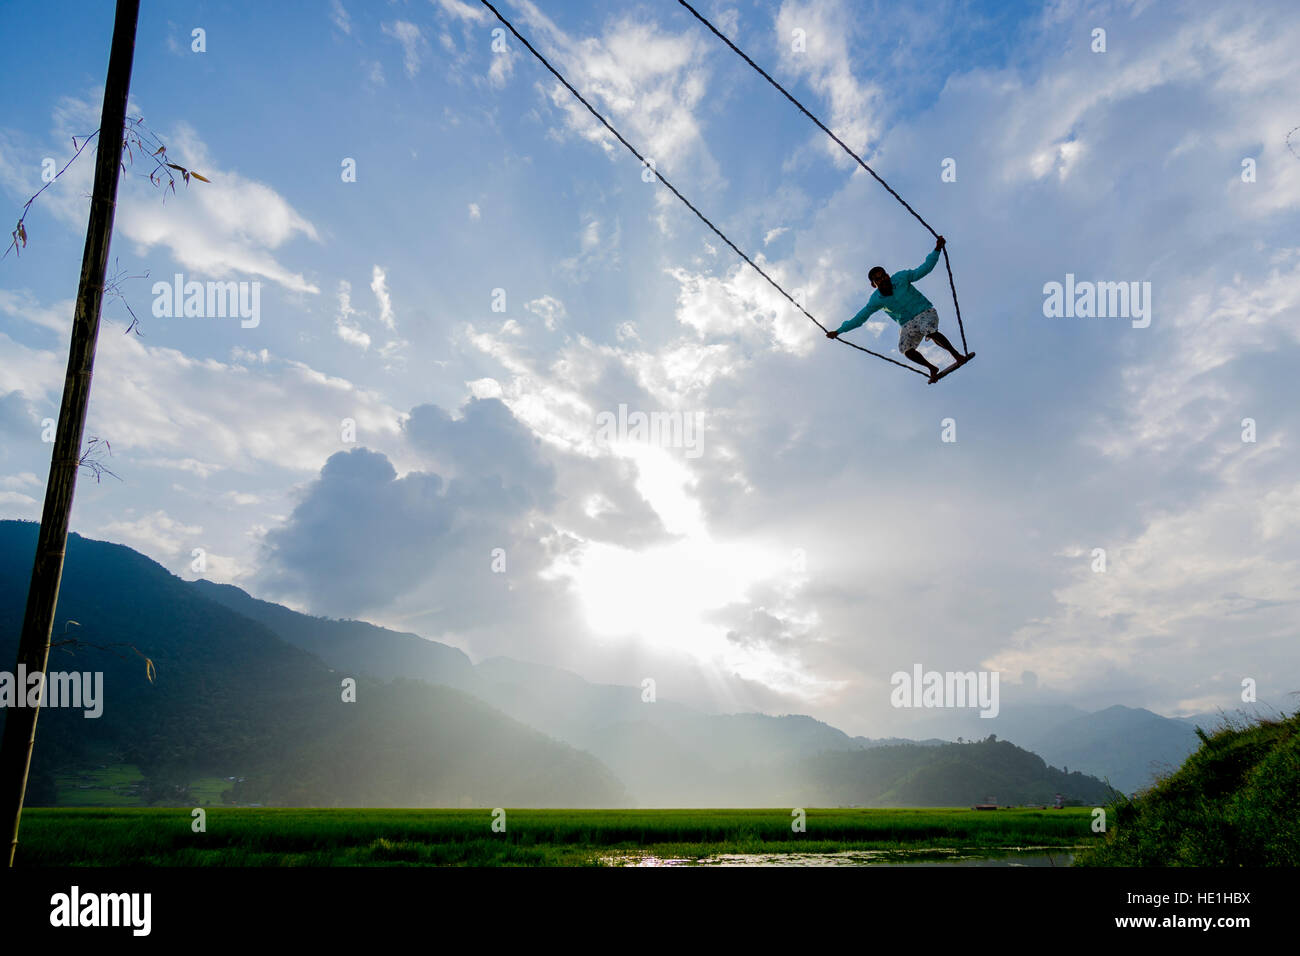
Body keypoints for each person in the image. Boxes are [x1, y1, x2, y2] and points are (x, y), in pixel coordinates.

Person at [826, 236, 970, 383]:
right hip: (907, 324)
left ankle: (956, 355)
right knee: (905, 349)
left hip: (924, 312)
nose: (882, 280)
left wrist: (937, 249)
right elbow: (859, 318)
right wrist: (838, 331)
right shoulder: (875, 300)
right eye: (878, 280)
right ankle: (932, 368)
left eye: (883, 276)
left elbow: (925, 269)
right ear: (873, 285)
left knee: (928, 329)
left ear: (887, 275)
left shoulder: (901, 277)